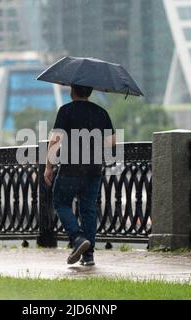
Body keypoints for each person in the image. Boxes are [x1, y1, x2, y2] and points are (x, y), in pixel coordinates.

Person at [44, 84, 116, 266]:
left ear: (72, 91)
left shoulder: (66, 110)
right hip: (93, 168)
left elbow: (55, 140)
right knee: (88, 209)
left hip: (71, 167)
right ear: (90, 92)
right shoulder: (101, 112)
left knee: (61, 202)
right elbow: (112, 143)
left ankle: (77, 238)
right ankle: (89, 256)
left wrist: (49, 167)